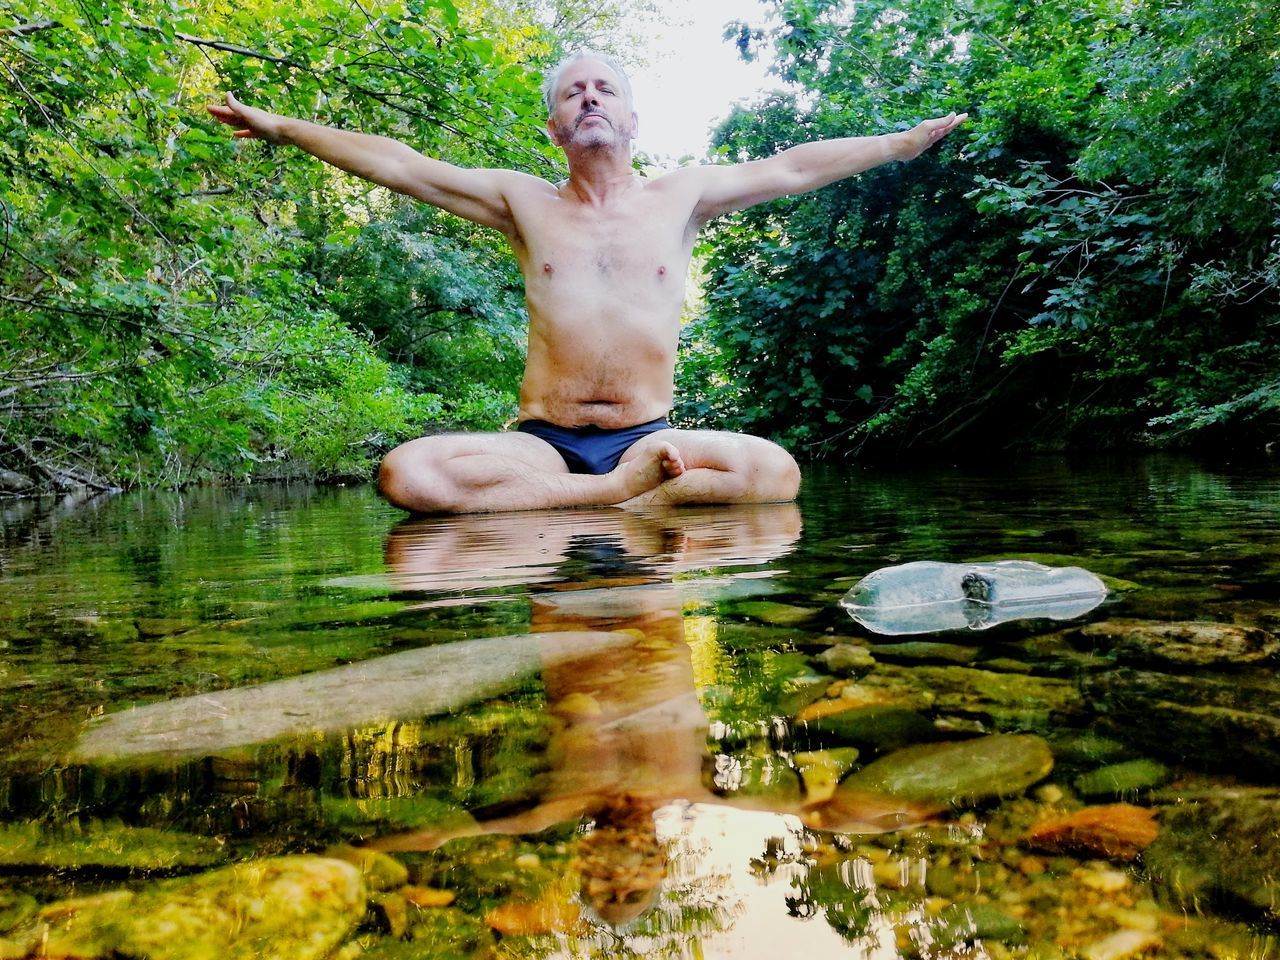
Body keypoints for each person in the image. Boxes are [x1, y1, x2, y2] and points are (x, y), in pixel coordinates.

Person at [209, 50, 966, 513]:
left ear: (633, 118)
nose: (590, 98)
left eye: (604, 89)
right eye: (573, 93)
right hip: (543, 445)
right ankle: (615, 500)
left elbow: (795, 166)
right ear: (554, 129)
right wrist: (283, 127)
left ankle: (589, 503)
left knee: (774, 472)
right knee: (407, 474)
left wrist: (897, 146)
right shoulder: (519, 201)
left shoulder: (684, 196)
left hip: (651, 436)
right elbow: (399, 164)